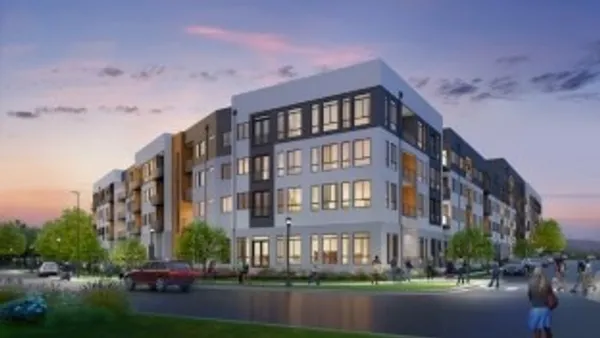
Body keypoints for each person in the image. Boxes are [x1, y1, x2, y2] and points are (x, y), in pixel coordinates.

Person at [528, 267, 557, 338]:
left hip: (535, 308)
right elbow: (551, 294)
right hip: (545, 308)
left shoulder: (531, 283)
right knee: (546, 327)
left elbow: (530, 295)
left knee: (537, 329)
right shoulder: (546, 283)